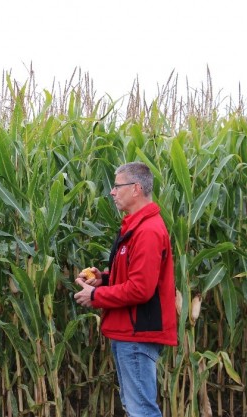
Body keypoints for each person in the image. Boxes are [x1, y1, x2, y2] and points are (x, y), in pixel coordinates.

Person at [74, 162, 177, 417]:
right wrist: (104, 279)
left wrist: (95, 296)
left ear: (136, 189)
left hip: (137, 334)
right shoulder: (136, 227)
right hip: (129, 332)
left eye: (117, 186)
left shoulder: (148, 231)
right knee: (135, 407)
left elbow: (141, 289)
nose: (112, 192)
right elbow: (135, 277)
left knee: (141, 410)